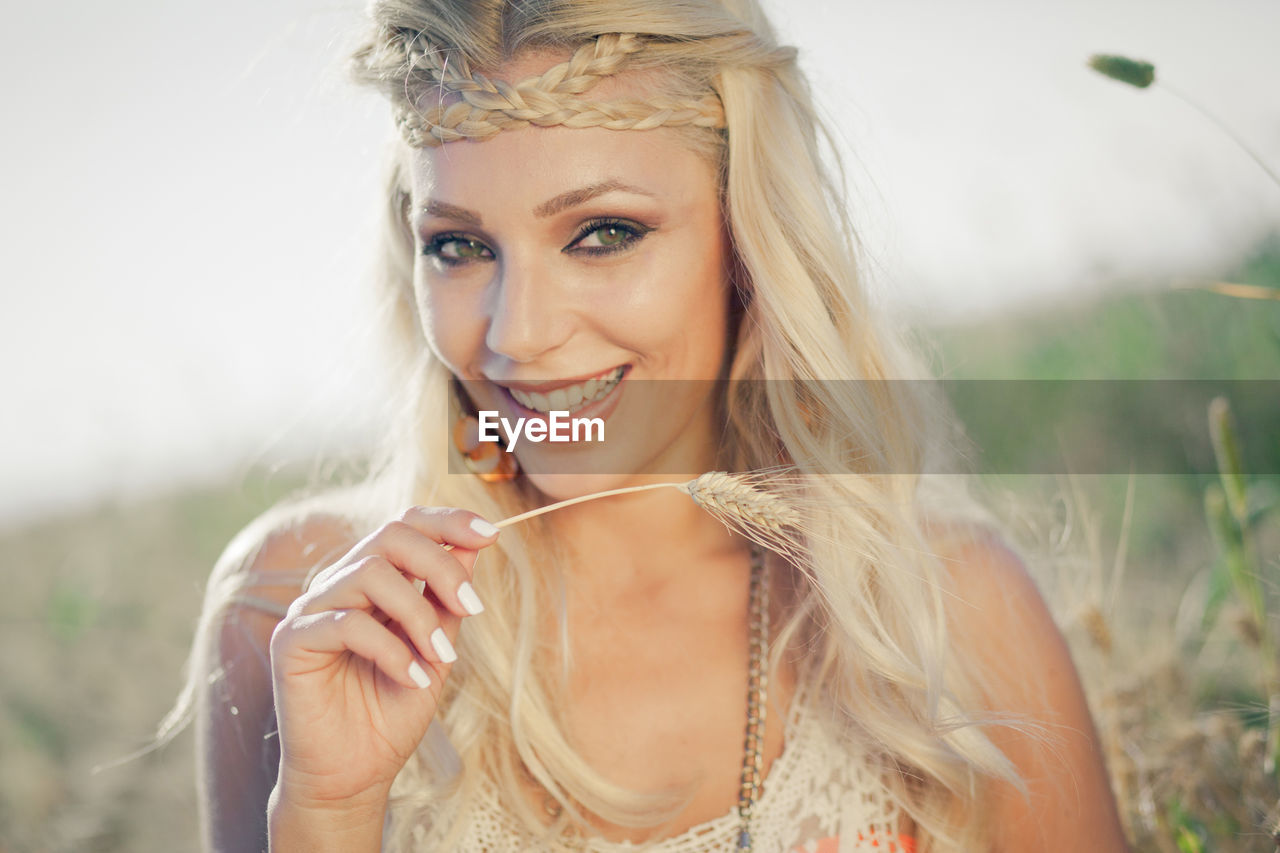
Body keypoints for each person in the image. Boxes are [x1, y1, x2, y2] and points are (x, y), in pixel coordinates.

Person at [166, 1, 1132, 850]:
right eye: (460, 246)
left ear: (745, 236)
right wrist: (330, 811)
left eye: (603, 234)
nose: (520, 335)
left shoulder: (939, 614)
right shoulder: (307, 617)